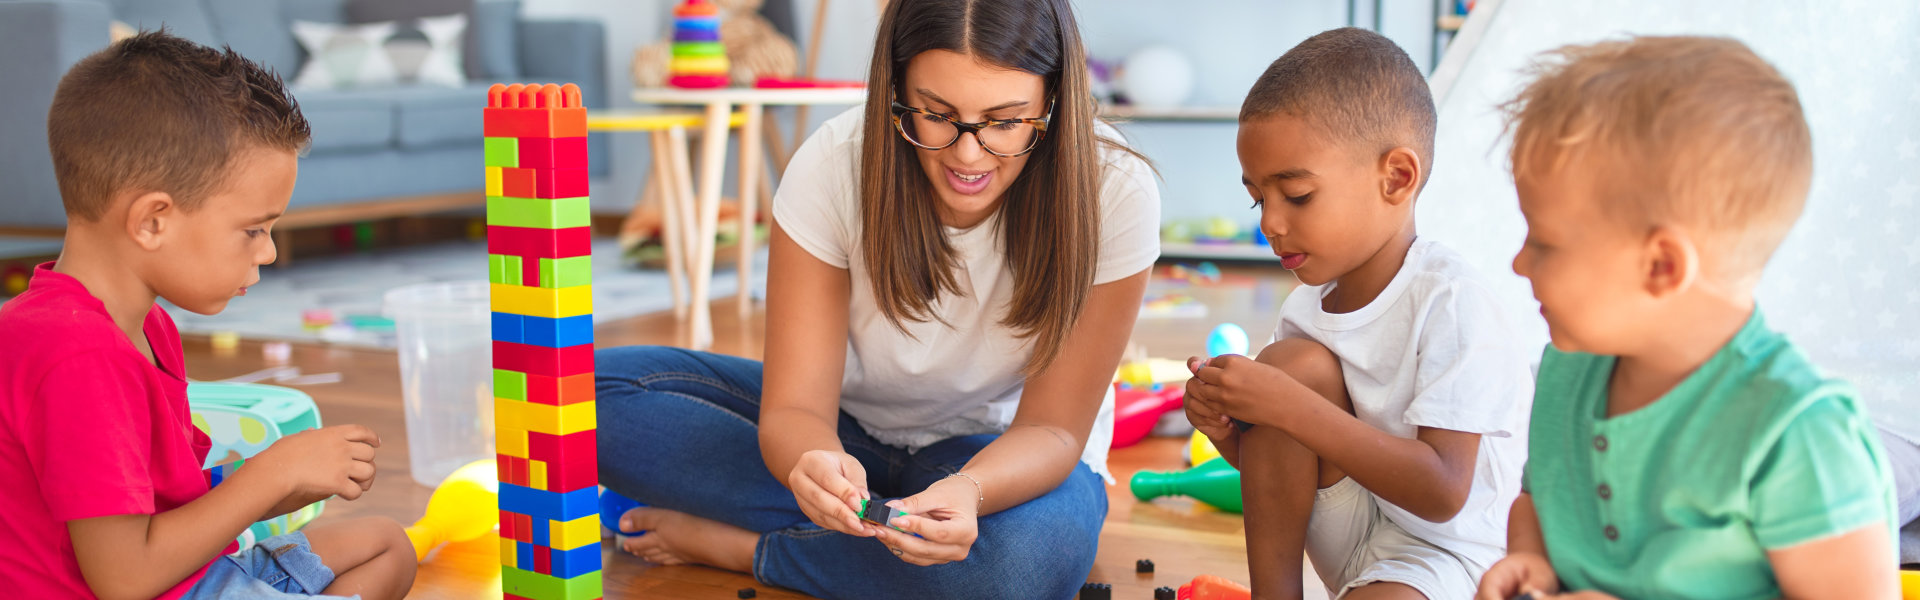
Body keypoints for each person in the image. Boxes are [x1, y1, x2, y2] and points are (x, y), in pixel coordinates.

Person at [592, 0, 1160, 598]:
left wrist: (970, 492)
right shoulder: (834, 164)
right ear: (894, 86)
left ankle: (744, 546)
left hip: (1001, 456)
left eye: (1004, 121)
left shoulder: (1112, 189)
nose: (968, 155)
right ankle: (874, 546)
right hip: (849, 432)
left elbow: (1053, 431)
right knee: (575, 397)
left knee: (1011, 571)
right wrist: (808, 460)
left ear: (1053, 101)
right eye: (936, 114)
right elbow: (795, 410)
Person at [1476, 35, 1898, 600]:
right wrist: (1532, 562)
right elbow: (1538, 501)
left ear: (1662, 266)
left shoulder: (1797, 433)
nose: (1519, 262)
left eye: (1546, 243)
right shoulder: (1565, 371)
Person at [0, 31, 416, 600]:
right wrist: (271, 475)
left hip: (186, 571)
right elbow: (125, 578)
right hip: (140, 586)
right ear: (152, 222)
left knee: (386, 543)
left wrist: (268, 484)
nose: (268, 252)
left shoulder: (147, 325)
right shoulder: (76, 355)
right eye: (253, 230)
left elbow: (163, 500)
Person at [1183, 28, 1536, 600]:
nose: (1270, 222)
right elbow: (1280, 470)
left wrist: (1286, 406)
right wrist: (1230, 428)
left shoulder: (1453, 301)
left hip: (1452, 555)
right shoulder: (1305, 309)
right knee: (1290, 364)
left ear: (1396, 177)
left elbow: (1443, 491)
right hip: (1355, 536)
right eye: (1257, 198)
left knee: (1286, 382)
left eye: (1295, 195)